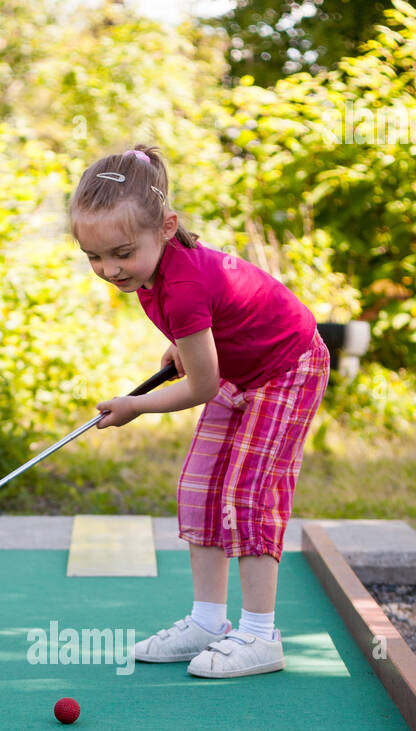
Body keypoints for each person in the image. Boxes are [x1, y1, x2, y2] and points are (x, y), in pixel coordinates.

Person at [68, 144, 331, 678]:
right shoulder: (151, 273)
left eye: (120, 253)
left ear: (167, 227)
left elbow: (203, 385)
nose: (108, 269)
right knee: (201, 487)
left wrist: (136, 406)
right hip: (241, 372)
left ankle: (260, 635)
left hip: (286, 369)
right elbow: (206, 334)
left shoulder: (181, 283)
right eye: (94, 257)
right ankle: (209, 623)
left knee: (249, 493)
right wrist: (183, 347)